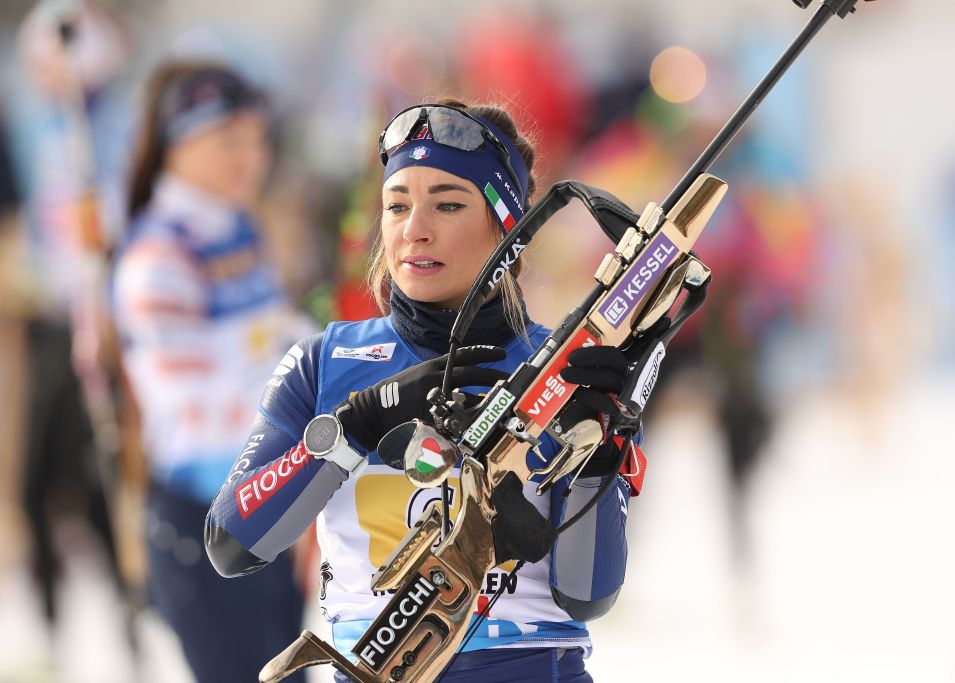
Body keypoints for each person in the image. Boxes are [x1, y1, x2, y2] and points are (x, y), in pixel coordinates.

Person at [206, 100, 637, 682]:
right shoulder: (326, 362)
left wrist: (601, 454)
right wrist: (354, 428)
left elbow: (589, 594)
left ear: (507, 226)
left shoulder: (560, 370)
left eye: (449, 204)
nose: (415, 229)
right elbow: (232, 543)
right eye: (397, 206)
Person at [111, 60, 313, 683]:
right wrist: (314, 408)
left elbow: (282, 335)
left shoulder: (237, 226)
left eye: (256, 137)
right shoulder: (157, 256)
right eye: (229, 140)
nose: (249, 156)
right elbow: (196, 413)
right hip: (207, 525)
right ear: (179, 143)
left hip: (267, 509)